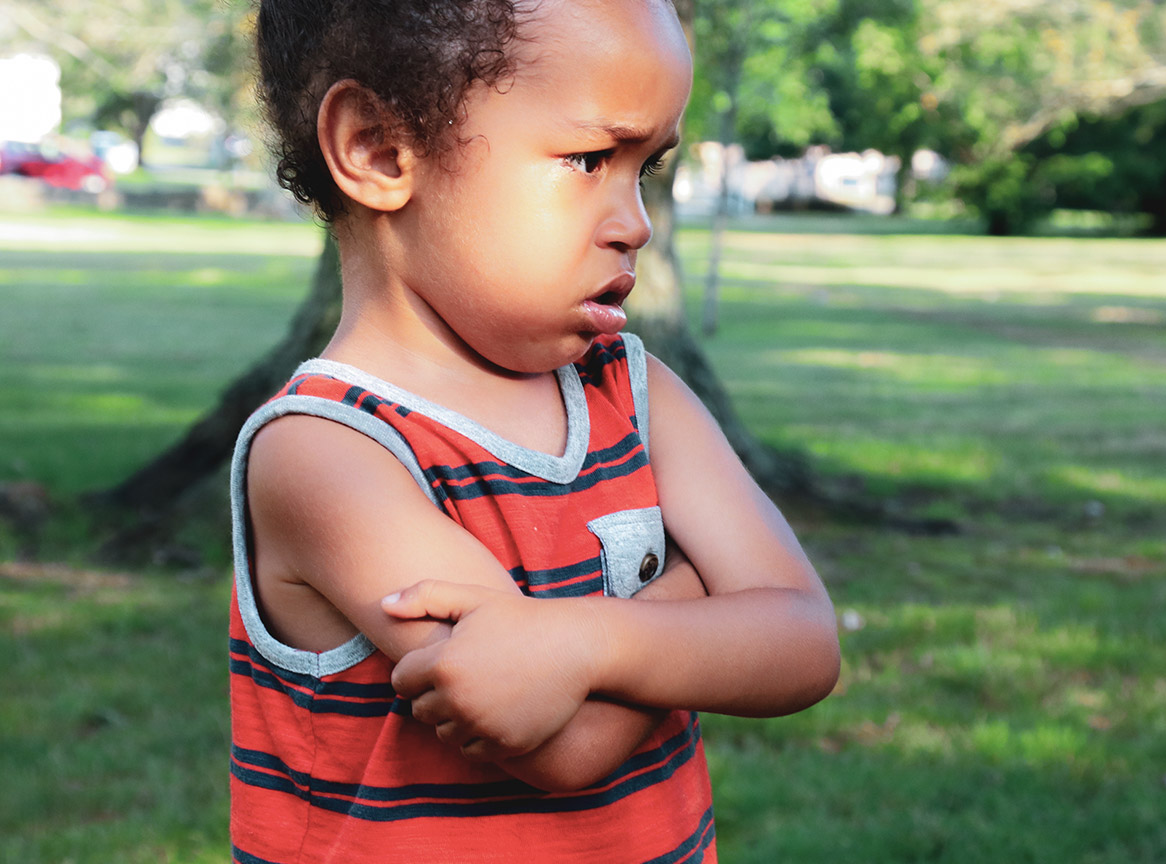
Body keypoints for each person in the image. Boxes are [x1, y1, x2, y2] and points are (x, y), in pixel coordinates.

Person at [227, 1, 842, 861]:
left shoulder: (632, 390)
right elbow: (561, 744)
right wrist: (707, 588)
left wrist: (580, 641)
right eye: (589, 158)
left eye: (645, 167)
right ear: (377, 148)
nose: (635, 222)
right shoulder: (329, 450)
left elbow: (805, 645)